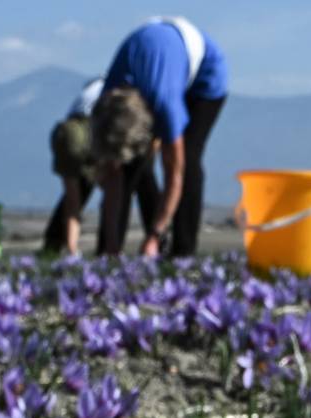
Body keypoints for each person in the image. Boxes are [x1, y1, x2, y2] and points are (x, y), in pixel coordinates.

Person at [90, 17, 228, 258]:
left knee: (190, 160)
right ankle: (108, 253)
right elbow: (113, 174)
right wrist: (111, 245)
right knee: (128, 167)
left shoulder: (164, 103)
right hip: (160, 59)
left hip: (205, 78)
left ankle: (182, 254)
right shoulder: (106, 100)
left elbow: (175, 173)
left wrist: (154, 235)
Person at [43, 77, 161, 256]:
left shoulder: (100, 103)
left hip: (81, 131)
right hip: (94, 130)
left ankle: (64, 246)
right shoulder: (119, 94)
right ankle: (109, 249)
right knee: (123, 184)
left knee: (78, 196)